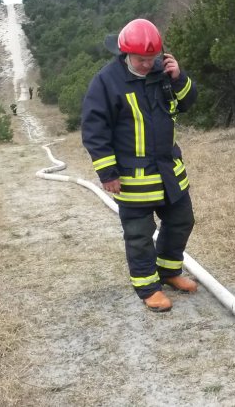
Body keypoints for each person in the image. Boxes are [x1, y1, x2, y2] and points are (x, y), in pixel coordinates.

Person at [81, 18, 199, 312]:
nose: (148, 64)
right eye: (141, 60)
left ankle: (169, 272)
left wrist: (179, 78)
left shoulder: (163, 72)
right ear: (125, 54)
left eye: (152, 58)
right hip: (133, 179)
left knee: (182, 220)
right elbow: (94, 130)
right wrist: (107, 173)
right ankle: (148, 288)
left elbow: (188, 103)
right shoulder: (107, 82)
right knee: (139, 235)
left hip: (169, 172)